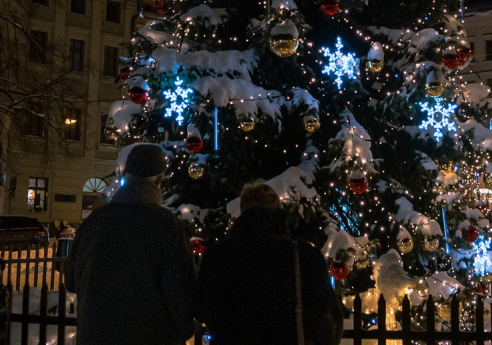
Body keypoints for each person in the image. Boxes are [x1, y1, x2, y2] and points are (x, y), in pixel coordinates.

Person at [64, 144, 195, 345]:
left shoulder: (95, 221)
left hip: (95, 336)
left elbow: (71, 280)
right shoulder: (165, 225)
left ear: (126, 174)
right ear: (159, 178)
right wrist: (184, 330)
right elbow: (179, 289)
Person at [196, 182, 343, 345]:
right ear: (278, 211)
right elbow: (327, 315)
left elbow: (202, 310)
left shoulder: (218, 256)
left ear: (243, 211)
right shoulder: (304, 255)